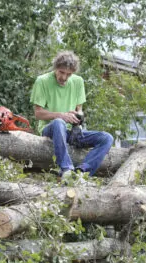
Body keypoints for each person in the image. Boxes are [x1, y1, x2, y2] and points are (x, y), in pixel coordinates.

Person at [30, 51, 113, 180]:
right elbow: (38, 114)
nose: (64, 77)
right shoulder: (42, 81)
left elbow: (80, 111)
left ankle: (82, 172)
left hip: (71, 132)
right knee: (59, 122)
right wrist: (61, 115)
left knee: (106, 138)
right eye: (61, 72)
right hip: (51, 130)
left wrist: (78, 117)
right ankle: (66, 169)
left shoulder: (78, 82)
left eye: (68, 74)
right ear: (55, 68)